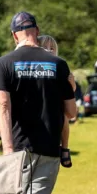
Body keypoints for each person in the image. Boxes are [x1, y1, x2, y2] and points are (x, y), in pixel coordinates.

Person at [0, 12, 76, 194]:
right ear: (37, 31)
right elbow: (71, 113)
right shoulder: (58, 64)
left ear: (14, 35)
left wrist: (8, 148)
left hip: (16, 149)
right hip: (49, 147)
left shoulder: (3, 63)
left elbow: (3, 105)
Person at [38, 34, 74, 168]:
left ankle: (64, 147)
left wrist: (71, 85)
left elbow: (71, 92)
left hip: (57, 106)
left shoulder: (60, 66)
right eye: (44, 47)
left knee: (64, 116)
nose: (48, 50)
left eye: (52, 48)